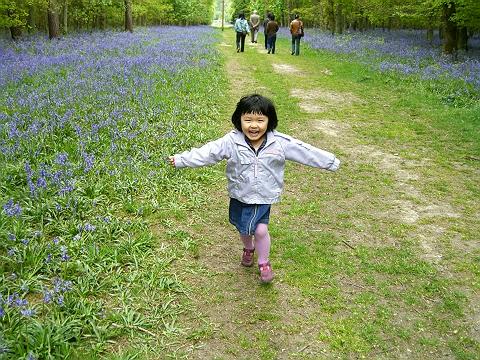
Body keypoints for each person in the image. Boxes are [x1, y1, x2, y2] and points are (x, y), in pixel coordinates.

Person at [169, 94, 340, 283]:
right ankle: (248, 248)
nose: (254, 125)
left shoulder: (279, 142)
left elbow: (305, 151)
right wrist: (181, 160)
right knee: (243, 229)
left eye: (260, 120)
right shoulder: (231, 141)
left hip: (264, 196)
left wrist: (329, 161)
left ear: (269, 121)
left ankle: (264, 263)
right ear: (239, 120)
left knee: (260, 230)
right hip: (240, 194)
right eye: (248, 120)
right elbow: (208, 152)